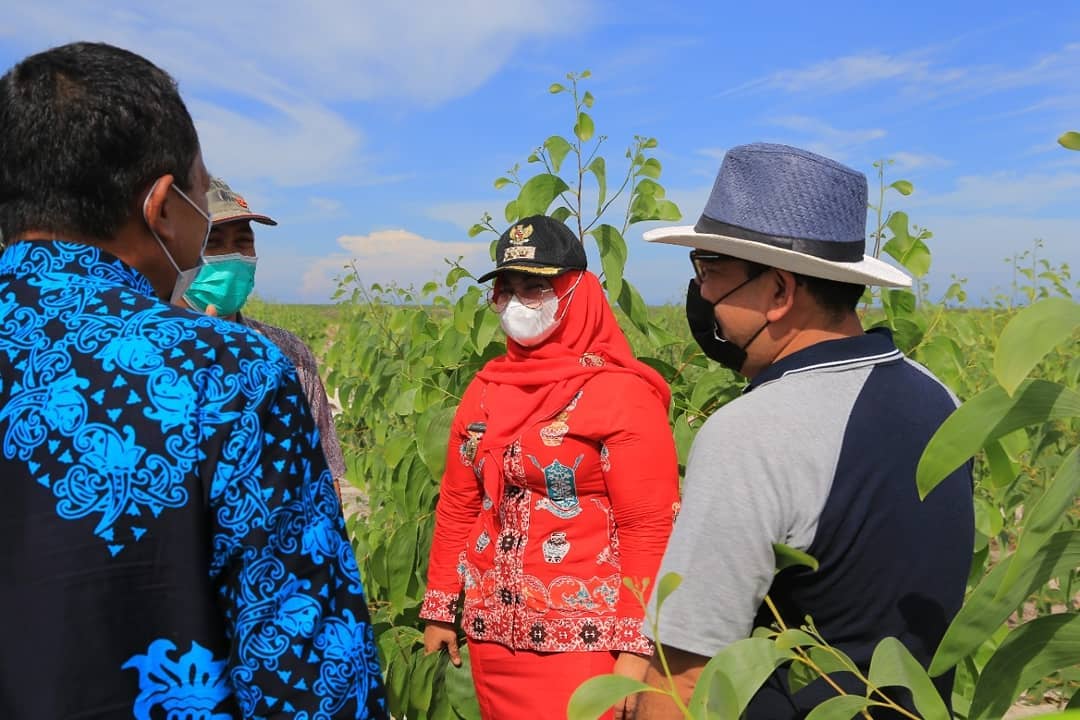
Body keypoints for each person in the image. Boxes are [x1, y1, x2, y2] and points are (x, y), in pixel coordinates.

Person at [0, 42, 386, 719]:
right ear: (161, 206)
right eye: (202, 205)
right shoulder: (227, 372)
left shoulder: (274, 354)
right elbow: (307, 675)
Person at [636, 143, 974, 719]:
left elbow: (684, 677)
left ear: (778, 293)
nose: (704, 298)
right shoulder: (942, 399)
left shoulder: (751, 432)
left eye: (711, 274)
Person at [420, 215, 680, 720]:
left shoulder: (620, 394)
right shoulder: (487, 388)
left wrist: (635, 649)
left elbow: (650, 526)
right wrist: (440, 606)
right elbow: (458, 502)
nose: (517, 303)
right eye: (508, 288)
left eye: (535, 288)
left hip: (589, 646)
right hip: (491, 636)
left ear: (576, 292)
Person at [182, 176, 350, 503]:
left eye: (243, 242)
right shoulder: (152, 356)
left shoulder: (289, 354)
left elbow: (323, 480)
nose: (234, 257)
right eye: (214, 243)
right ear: (180, 250)